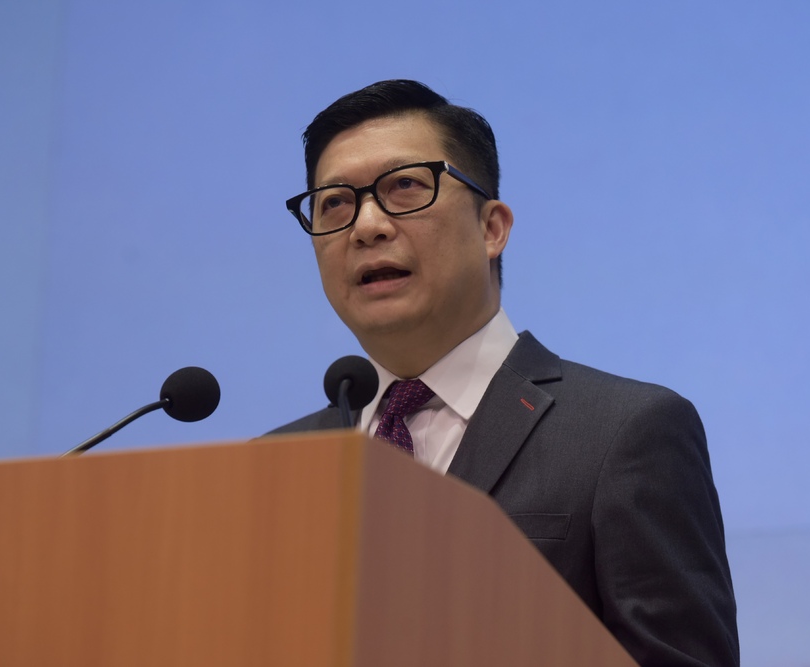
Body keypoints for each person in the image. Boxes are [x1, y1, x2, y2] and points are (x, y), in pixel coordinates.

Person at [271, 79, 739, 666]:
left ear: (491, 228)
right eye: (335, 203)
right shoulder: (275, 467)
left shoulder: (624, 433)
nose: (367, 225)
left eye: (405, 186)